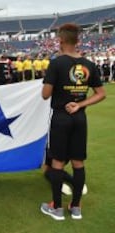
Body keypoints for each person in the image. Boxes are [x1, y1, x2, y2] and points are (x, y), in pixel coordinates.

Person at [41, 23, 106, 221]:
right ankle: (76, 207)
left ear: (60, 41)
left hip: (61, 117)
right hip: (79, 117)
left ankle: (57, 208)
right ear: (78, 41)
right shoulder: (89, 64)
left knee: (58, 162)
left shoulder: (56, 63)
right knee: (78, 162)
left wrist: (50, 81)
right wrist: (80, 103)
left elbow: (45, 95)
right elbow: (101, 94)